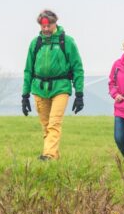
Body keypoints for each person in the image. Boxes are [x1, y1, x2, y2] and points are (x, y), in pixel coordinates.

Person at [21, 9, 85, 161]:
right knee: (46, 126)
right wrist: (25, 95)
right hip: (39, 88)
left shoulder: (67, 42)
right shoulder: (35, 44)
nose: (46, 29)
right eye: (43, 26)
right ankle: (54, 158)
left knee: (54, 123)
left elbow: (77, 68)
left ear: (55, 23)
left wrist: (79, 94)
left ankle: (48, 155)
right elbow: (28, 70)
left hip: (60, 88)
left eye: (49, 25)